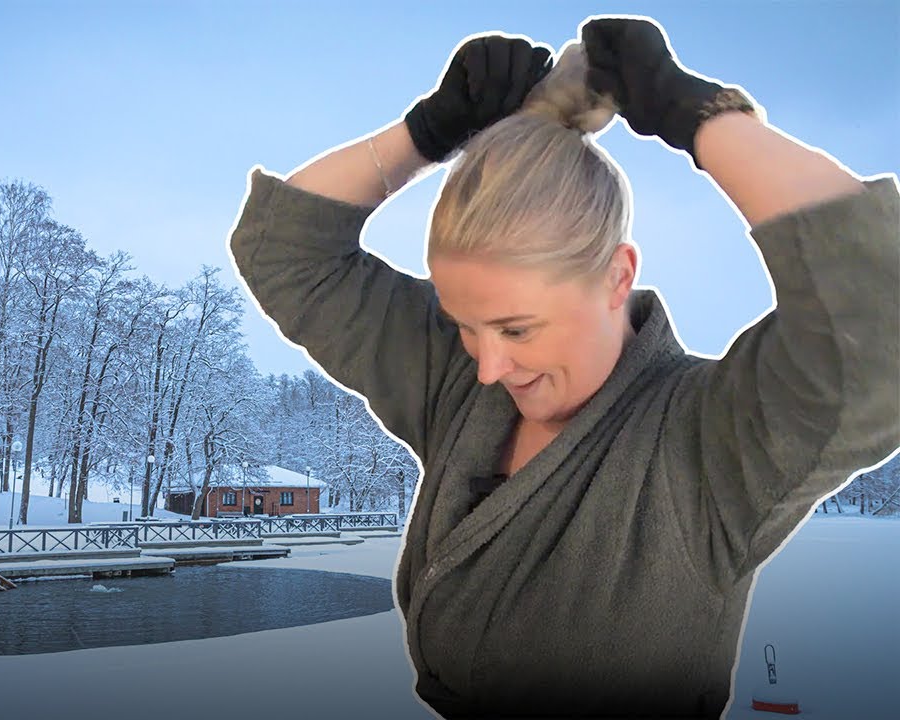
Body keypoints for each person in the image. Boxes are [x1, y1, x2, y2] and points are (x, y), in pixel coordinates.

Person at [226, 15, 899, 720]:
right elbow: (284, 250)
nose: (489, 367)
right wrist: (428, 132)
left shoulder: (709, 445)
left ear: (616, 276)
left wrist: (699, 116)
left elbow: (879, 326)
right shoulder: (454, 385)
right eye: (465, 326)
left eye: (517, 328)